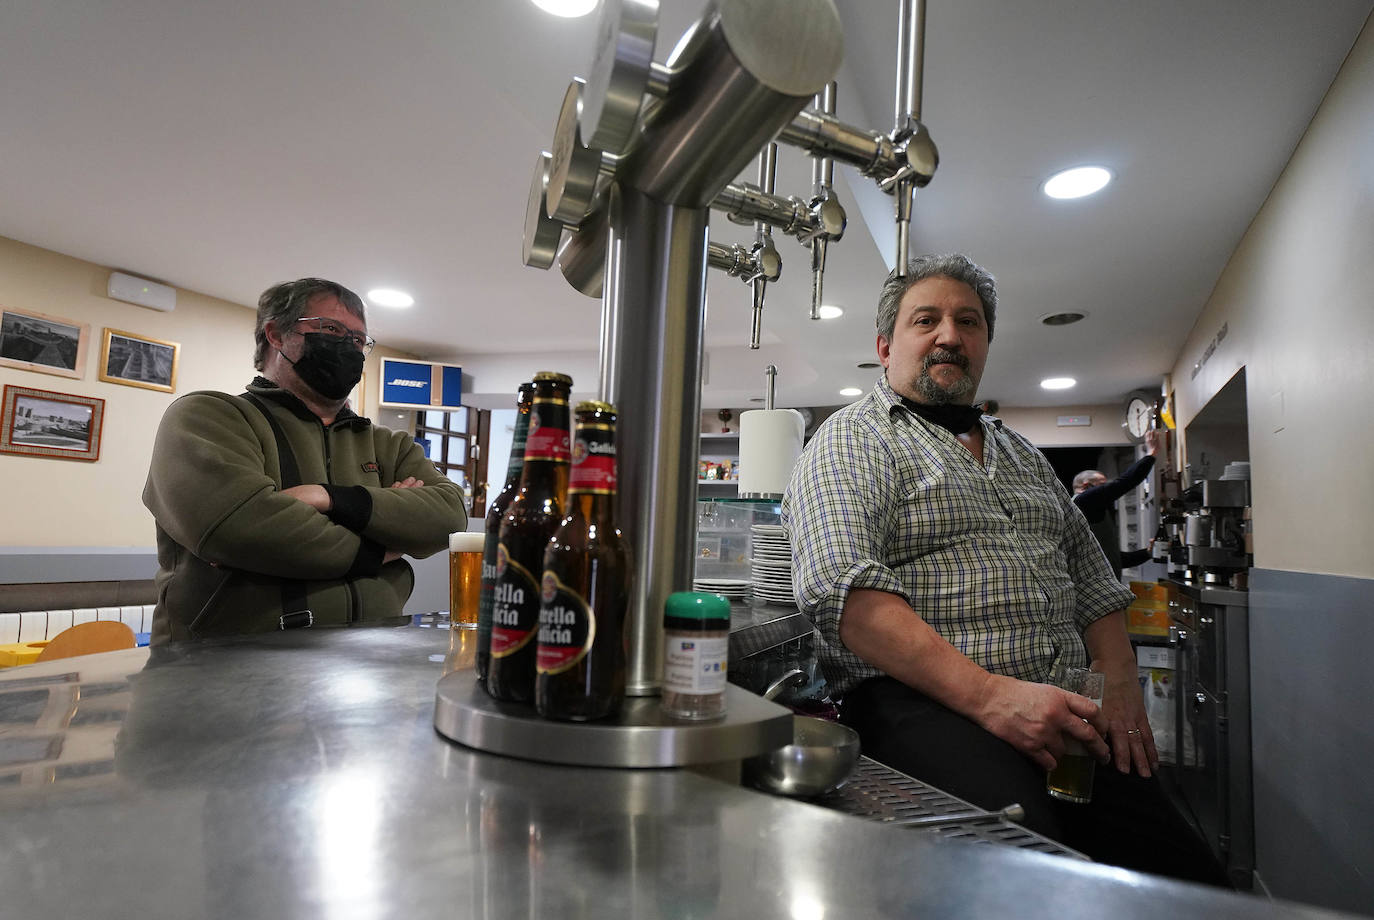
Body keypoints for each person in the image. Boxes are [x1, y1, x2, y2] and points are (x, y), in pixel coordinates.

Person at [783, 254, 1225, 884]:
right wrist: (992, 697)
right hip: (930, 703)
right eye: (925, 320)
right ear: (885, 347)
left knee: (1189, 880)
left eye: (969, 322)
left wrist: (1120, 677)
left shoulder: (1020, 451)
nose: (949, 335)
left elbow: (1092, 578)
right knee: (1028, 881)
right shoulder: (850, 440)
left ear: (985, 344)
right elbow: (845, 597)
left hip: (1071, 712)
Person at [142, 278, 466, 644]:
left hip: (370, 660)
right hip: (226, 665)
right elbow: (240, 529)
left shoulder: (388, 443)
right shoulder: (209, 416)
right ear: (276, 334)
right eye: (331, 329)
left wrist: (326, 498)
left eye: (359, 341)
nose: (349, 347)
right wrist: (385, 544)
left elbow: (449, 516)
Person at [1072, 429, 1161, 580]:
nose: (1106, 490)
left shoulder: (1093, 510)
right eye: (1102, 485)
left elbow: (1115, 559)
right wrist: (1151, 453)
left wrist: (1147, 552)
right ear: (1086, 485)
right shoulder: (1083, 500)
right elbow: (1124, 483)